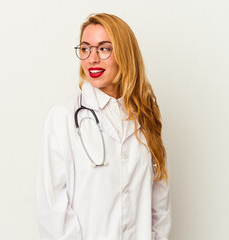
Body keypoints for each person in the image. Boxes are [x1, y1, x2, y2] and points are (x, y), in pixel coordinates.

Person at [36, 13, 172, 240]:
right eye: (85, 48)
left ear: (125, 54)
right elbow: (52, 209)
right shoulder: (63, 117)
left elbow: (160, 206)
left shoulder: (146, 118)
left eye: (104, 48)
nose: (92, 59)